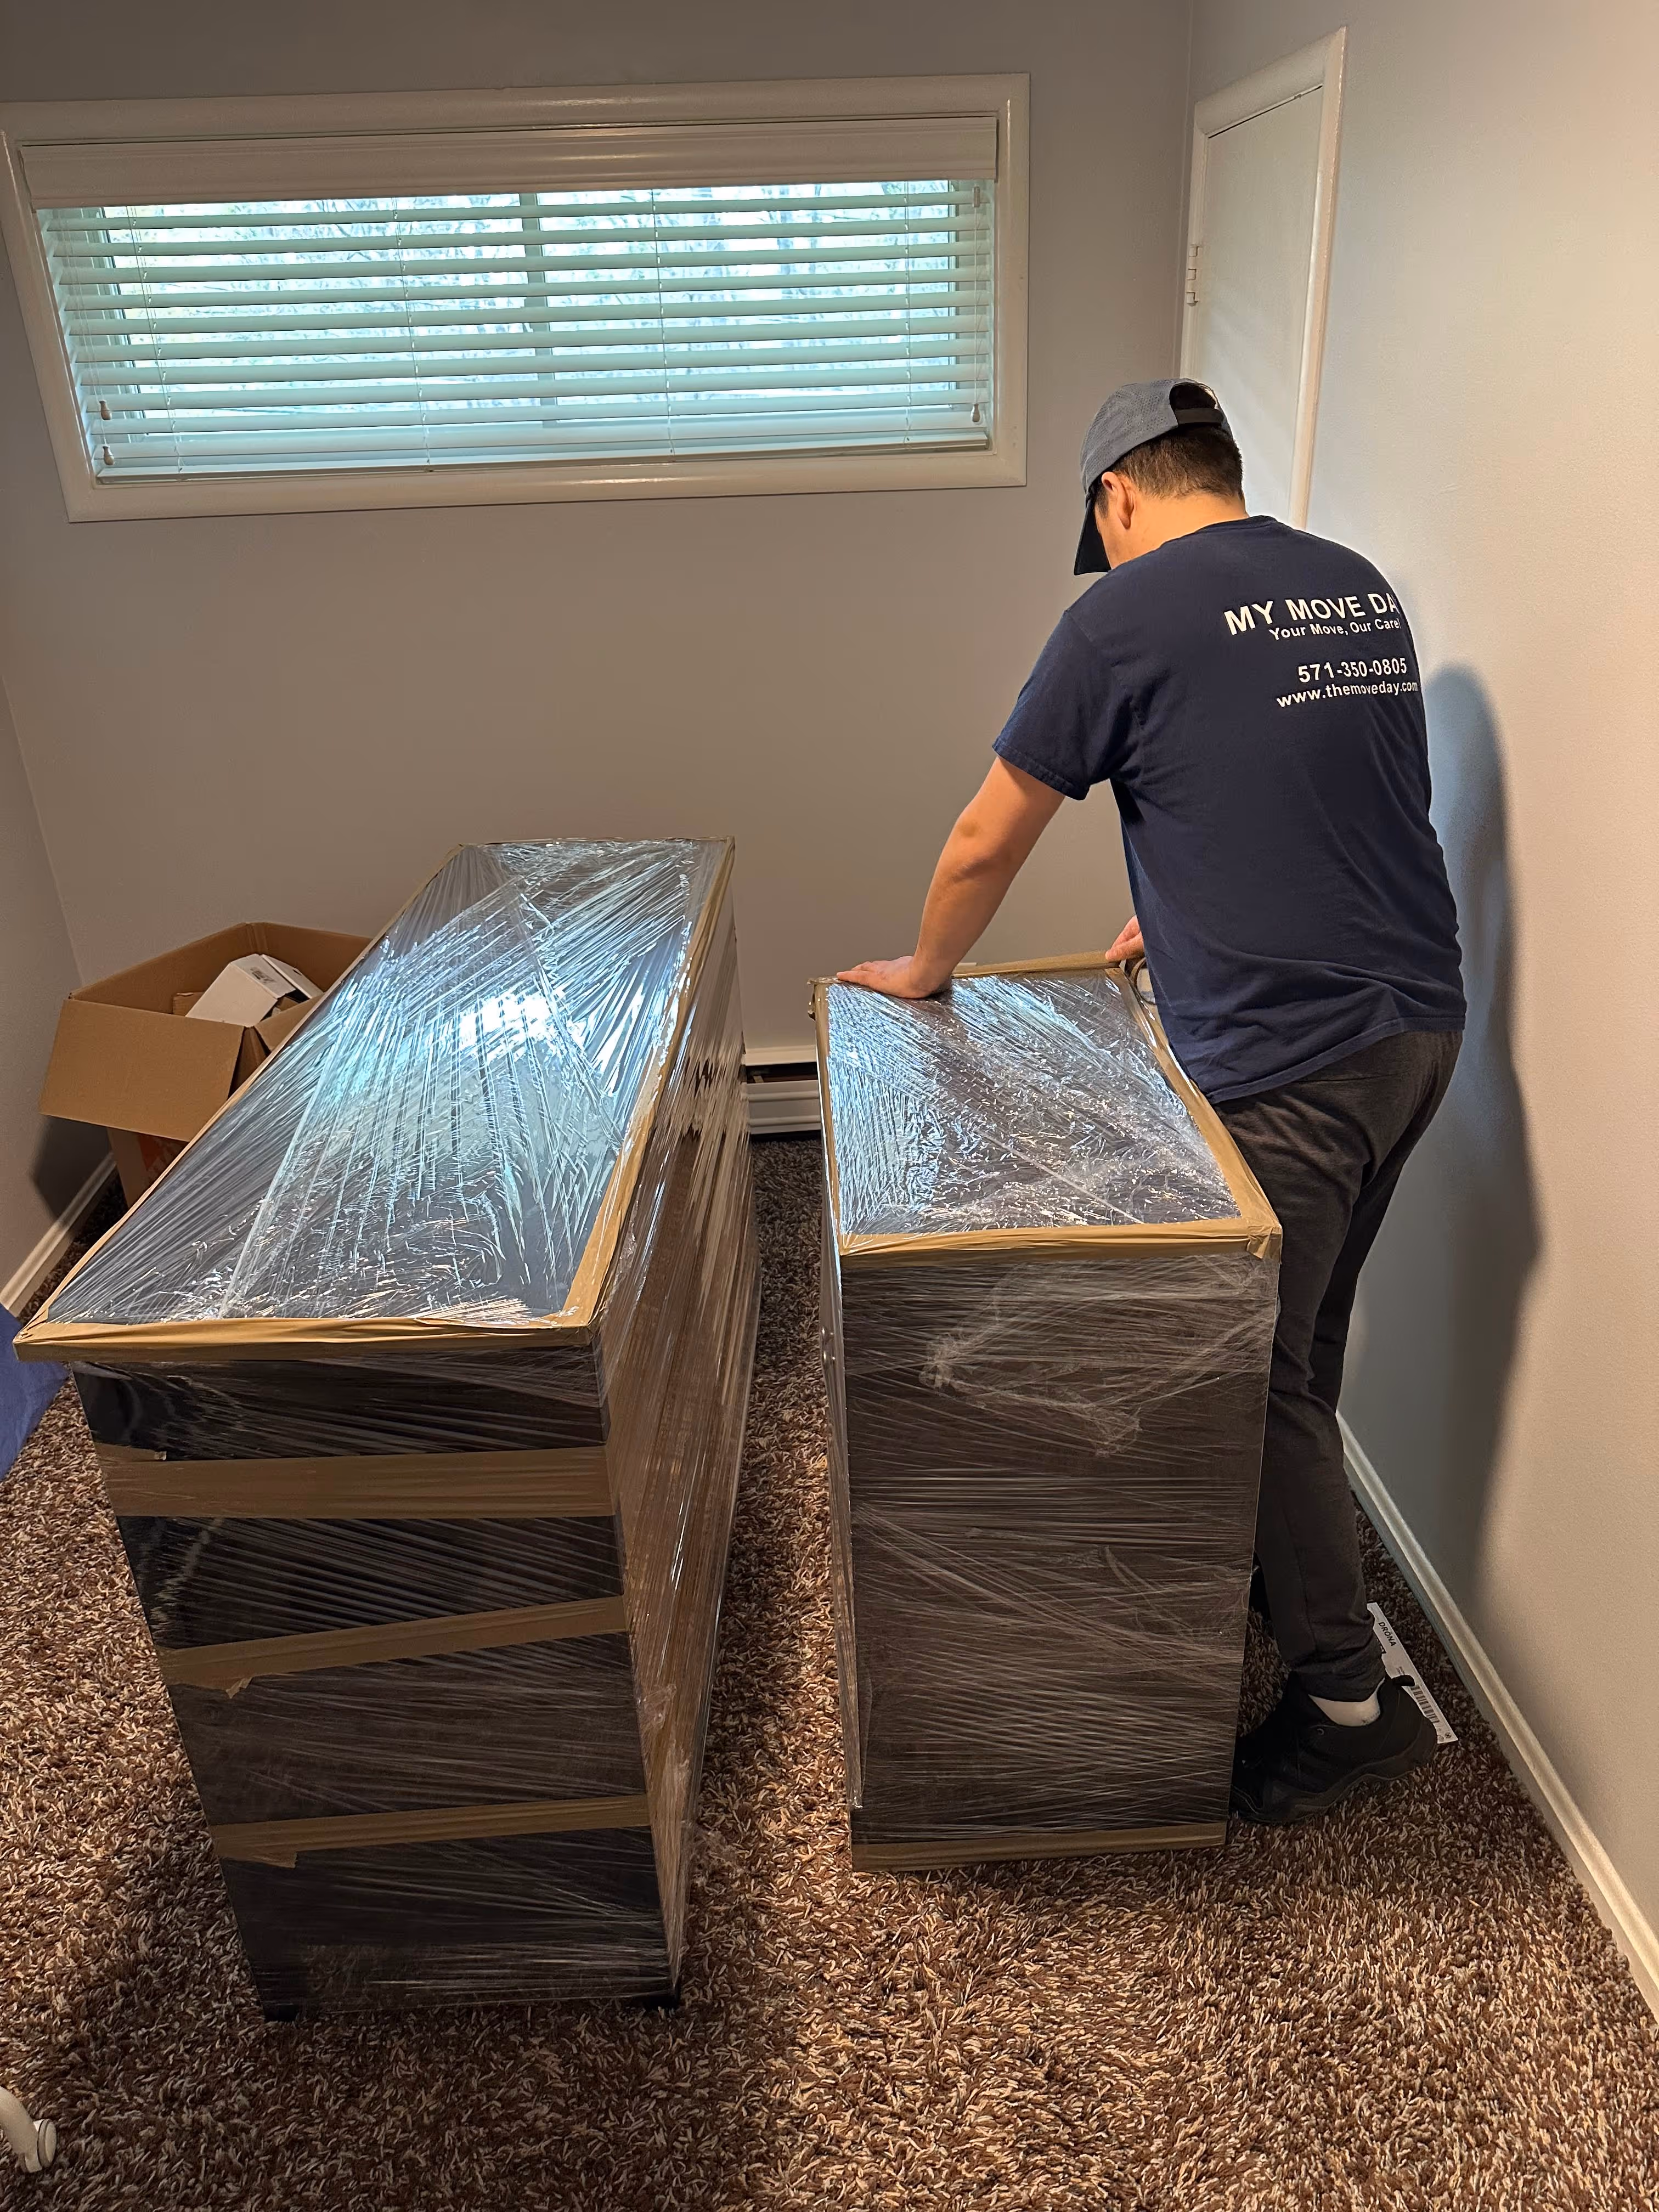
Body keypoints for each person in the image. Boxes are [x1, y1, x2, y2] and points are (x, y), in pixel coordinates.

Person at [838, 378, 1465, 1826]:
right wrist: (1184, 924)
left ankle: (1343, 1701)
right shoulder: (1349, 586)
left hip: (1296, 1058)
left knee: (1259, 1379)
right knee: (1304, 1342)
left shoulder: (1121, 618)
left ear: (1117, 496)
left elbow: (990, 832)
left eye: (1101, 529)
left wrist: (928, 970)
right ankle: (1288, 1570)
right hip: (1415, 1025)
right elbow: (1330, 796)